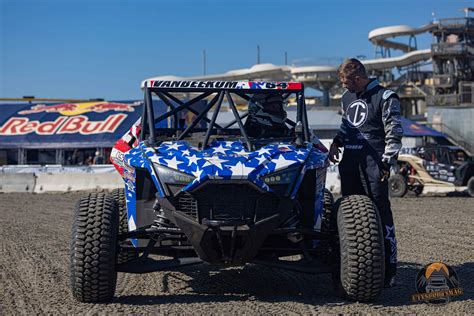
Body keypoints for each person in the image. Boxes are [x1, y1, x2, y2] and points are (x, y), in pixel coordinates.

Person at [329, 58, 403, 288]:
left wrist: (387, 163)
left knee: (380, 213)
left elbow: (394, 131)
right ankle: (350, 266)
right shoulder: (347, 97)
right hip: (349, 162)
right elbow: (346, 124)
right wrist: (336, 142)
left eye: (346, 82)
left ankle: (389, 267)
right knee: (350, 215)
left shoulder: (386, 97)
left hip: (374, 164)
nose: (343, 87)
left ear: (358, 78)